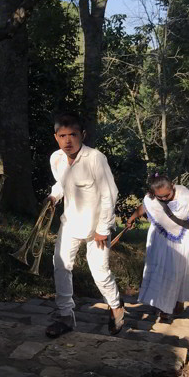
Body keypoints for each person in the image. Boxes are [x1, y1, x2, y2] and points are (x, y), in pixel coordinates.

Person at [44, 112, 124, 338]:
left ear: (83, 135)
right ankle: (65, 315)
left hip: (97, 227)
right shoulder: (56, 158)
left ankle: (116, 305)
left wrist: (103, 228)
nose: (68, 140)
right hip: (70, 223)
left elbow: (110, 194)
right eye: (63, 136)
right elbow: (61, 184)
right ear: (56, 137)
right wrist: (53, 197)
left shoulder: (95, 158)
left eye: (73, 135)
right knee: (60, 265)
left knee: (99, 271)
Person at [127, 174, 189, 324]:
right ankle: (165, 306)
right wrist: (132, 218)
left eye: (166, 195)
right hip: (160, 238)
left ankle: (174, 305)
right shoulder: (152, 198)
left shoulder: (185, 195)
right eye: (160, 197)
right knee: (161, 269)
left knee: (176, 272)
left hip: (183, 239)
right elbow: (145, 207)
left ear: (172, 186)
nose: (163, 199)